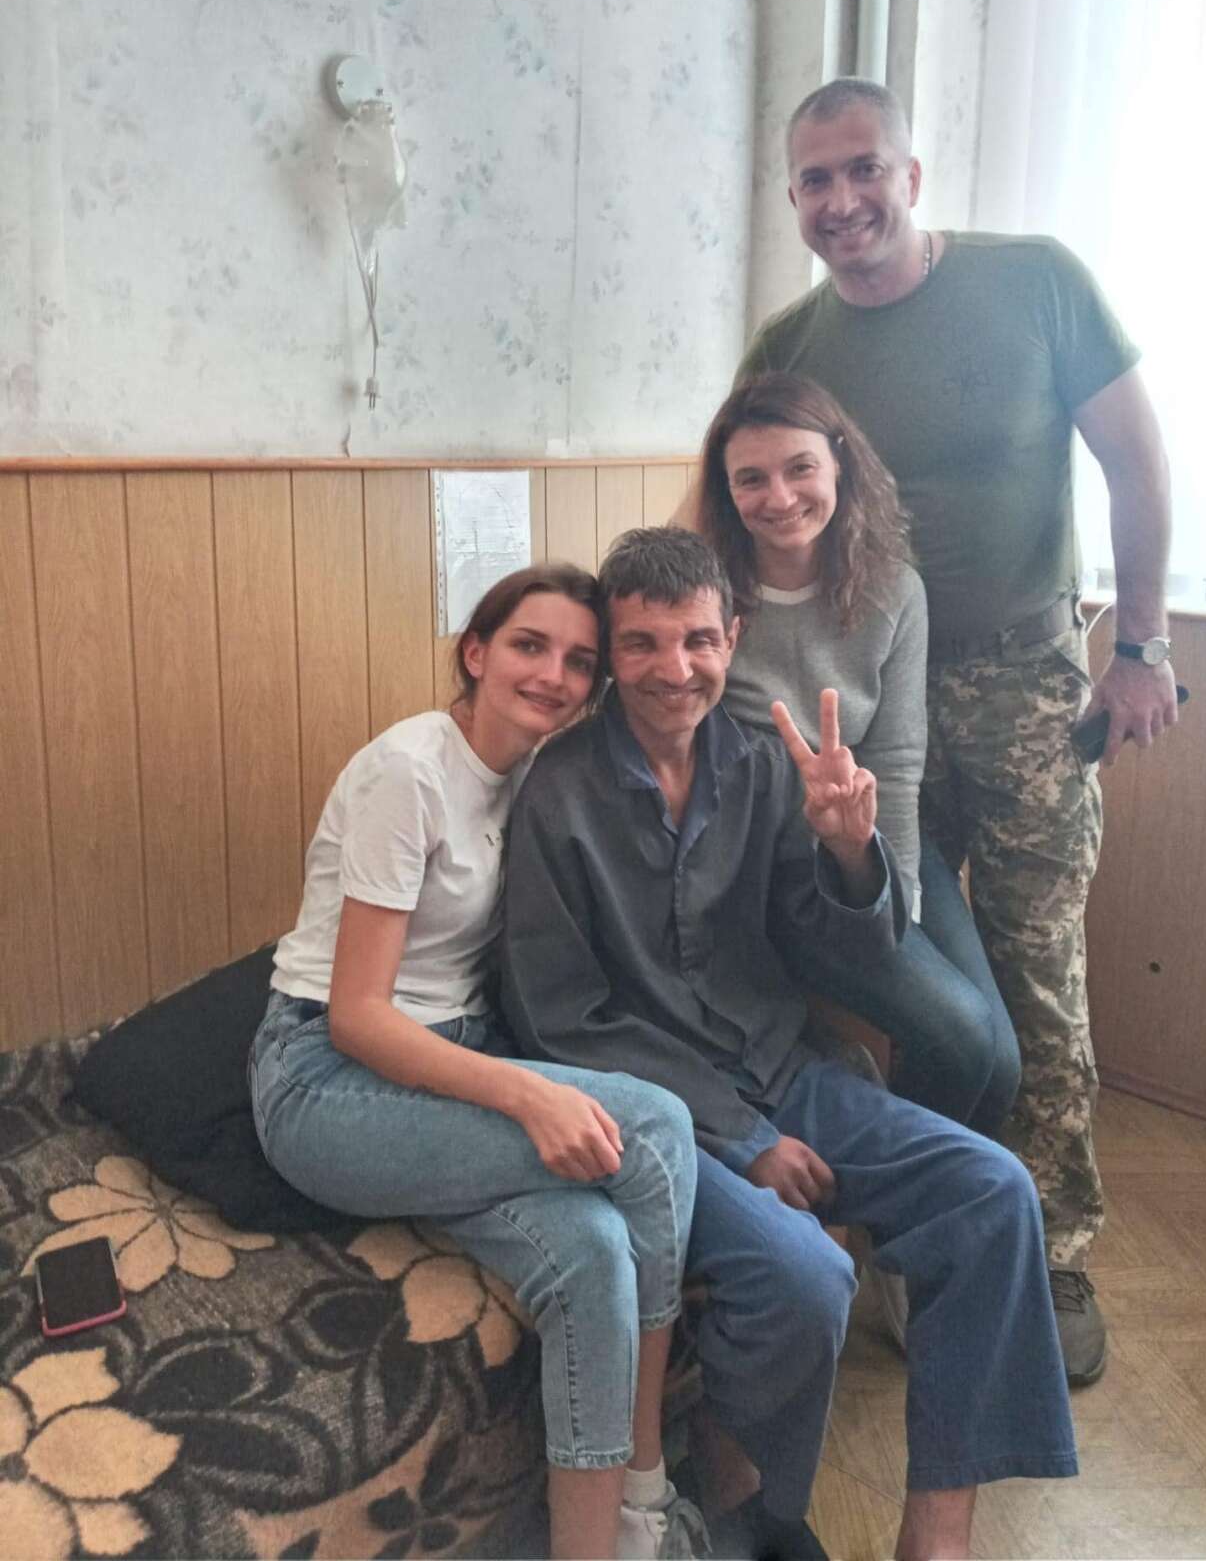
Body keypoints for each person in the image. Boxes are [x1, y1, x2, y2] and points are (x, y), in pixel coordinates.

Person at [501, 528, 1076, 1561]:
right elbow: (559, 1018)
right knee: (805, 1279)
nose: (674, 669)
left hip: (784, 1072)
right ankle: (751, 1510)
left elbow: (831, 946)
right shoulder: (558, 792)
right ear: (611, 654)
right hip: (661, 1118)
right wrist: (741, 1136)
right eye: (642, 643)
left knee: (995, 1194)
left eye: (697, 640)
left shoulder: (763, 763)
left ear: (734, 637)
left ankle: (937, 1532)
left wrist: (852, 853)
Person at [734, 75, 1178, 1384]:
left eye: (863, 168)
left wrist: (1143, 645)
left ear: (910, 175)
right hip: (872, 695)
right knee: (920, 979)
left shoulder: (1035, 281)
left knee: (1036, 971)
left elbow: (1136, 458)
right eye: (815, 180)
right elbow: (751, 504)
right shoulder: (790, 341)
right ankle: (925, 1220)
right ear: (794, 199)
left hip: (1029, 680)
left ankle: (1048, 1245)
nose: (842, 200)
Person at [248, 564, 707, 1561]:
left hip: (442, 1064)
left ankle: (603, 1544)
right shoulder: (408, 772)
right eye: (529, 646)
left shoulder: (530, 777)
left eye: (578, 661)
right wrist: (527, 1094)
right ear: (476, 653)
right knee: (657, 1130)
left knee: (594, 1250)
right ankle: (646, 1475)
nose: (553, 676)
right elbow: (358, 1017)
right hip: (327, 1081)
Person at [696, 369, 1019, 1138]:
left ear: (840, 463)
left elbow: (898, 762)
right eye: (751, 479)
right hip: (775, 869)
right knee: (961, 1042)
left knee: (998, 1062)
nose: (779, 497)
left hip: (873, 841)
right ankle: (886, 1182)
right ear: (727, 492)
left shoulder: (895, 590)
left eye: (800, 467)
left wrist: (890, 903)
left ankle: (911, 1197)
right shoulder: (706, 590)